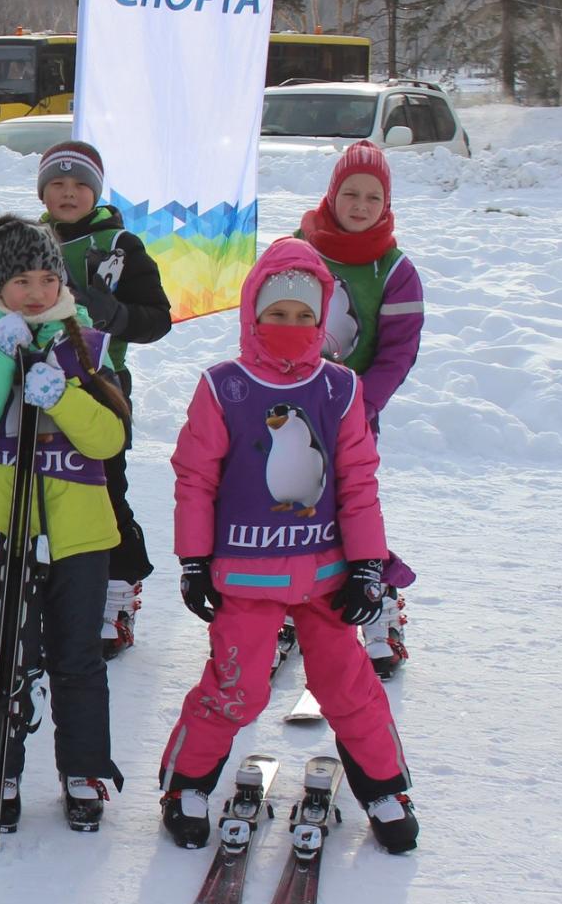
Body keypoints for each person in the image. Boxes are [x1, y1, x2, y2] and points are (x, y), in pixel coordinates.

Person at [159, 238, 418, 854]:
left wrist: (366, 565)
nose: (292, 325)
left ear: (323, 317)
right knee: (235, 687)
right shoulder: (225, 387)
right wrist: (194, 561)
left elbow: (359, 483)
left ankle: (383, 787)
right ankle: (187, 785)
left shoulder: (341, 389)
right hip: (245, 577)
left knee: (349, 684)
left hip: (326, 576)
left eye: (305, 315)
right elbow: (195, 479)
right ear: (254, 314)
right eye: (278, 313)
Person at [0, 215, 128, 832]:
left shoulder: (87, 343)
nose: (38, 292)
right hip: (2, 531)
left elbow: (109, 440)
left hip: (79, 534)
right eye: (21, 280)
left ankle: (82, 768)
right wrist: (0, 356)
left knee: (77, 656)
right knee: (7, 656)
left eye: (48, 277)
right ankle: (0, 767)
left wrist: (64, 395)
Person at [36, 140, 173, 658]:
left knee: (103, 485)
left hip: (101, 383)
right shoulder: (28, 238)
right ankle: (59, 588)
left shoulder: (120, 244)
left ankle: (118, 590)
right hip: (35, 382)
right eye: (57, 183)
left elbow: (156, 318)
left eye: (79, 185)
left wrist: (113, 314)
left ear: (95, 191)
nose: (68, 193)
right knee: (46, 488)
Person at [295, 139, 424, 677]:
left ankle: (381, 604)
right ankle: (286, 601)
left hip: (353, 412)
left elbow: (399, 349)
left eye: (373, 196)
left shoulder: (394, 270)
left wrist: (360, 402)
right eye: (351, 193)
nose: (360, 205)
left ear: (386, 203)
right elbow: (262, 319)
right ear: (332, 194)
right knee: (291, 501)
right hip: (289, 405)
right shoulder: (297, 249)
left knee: (353, 508)